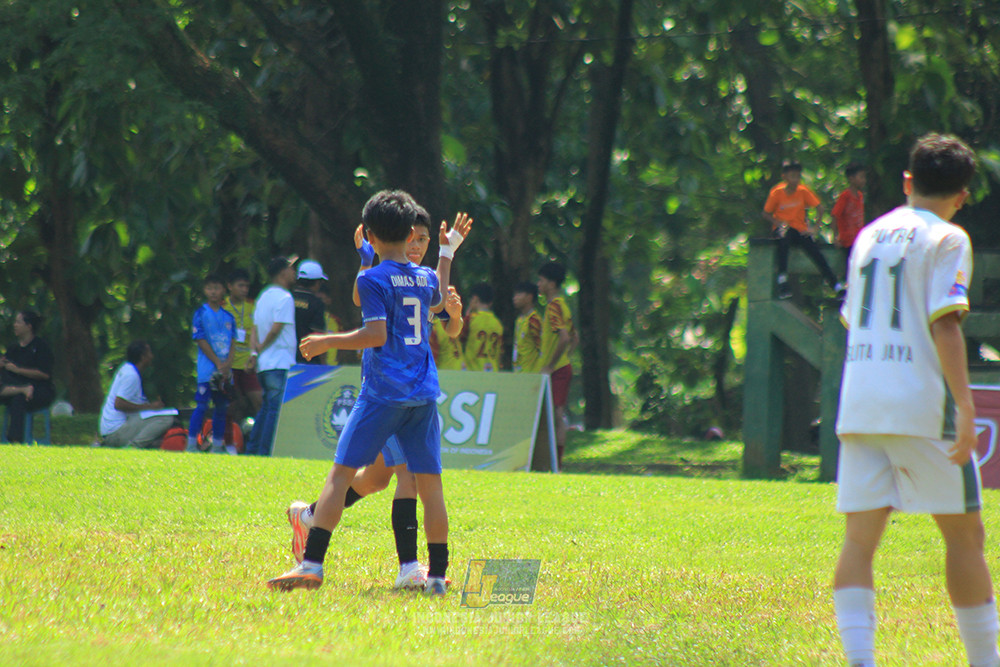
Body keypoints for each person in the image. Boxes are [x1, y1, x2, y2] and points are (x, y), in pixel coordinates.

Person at [833, 133, 999, 667]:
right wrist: (966, 405)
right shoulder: (949, 239)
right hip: (921, 407)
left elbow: (850, 316)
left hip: (859, 401)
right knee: (965, 534)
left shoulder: (867, 236)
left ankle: (860, 660)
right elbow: (945, 323)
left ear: (908, 181)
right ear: (963, 194)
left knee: (860, 540)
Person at [267, 190, 461, 596]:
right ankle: (438, 577)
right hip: (423, 396)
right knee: (430, 487)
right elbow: (440, 298)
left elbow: (375, 332)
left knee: (340, 474)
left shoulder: (373, 277)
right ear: (410, 233)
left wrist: (326, 341)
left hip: (383, 395)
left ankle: (312, 564)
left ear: (369, 234)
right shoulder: (424, 278)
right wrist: (446, 253)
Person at [762, 161, 845, 299]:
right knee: (783, 242)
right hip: (783, 229)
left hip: (799, 230)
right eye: (792, 176)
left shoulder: (803, 191)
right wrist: (778, 223)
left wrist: (814, 228)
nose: (795, 180)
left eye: (797, 176)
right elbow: (765, 213)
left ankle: (835, 285)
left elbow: (820, 208)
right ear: (785, 177)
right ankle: (782, 280)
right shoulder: (777, 192)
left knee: (815, 252)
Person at [245, 256, 297, 457]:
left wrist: (254, 353)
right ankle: (265, 452)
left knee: (266, 408)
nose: (294, 273)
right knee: (274, 409)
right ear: (283, 272)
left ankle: (253, 449)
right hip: (279, 361)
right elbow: (276, 329)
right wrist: (261, 348)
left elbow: (254, 329)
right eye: (291, 268)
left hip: (264, 364)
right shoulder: (285, 298)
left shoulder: (262, 297)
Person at [186, 273, 236, 454]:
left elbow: (233, 343)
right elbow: (200, 339)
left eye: (217, 288)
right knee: (202, 405)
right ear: (205, 290)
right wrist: (218, 362)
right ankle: (191, 444)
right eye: (210, 288)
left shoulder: (229, 317)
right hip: (207, 370)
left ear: (223, 290)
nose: (214, 292)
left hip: (224, 372)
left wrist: (227, 365)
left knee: (222, 407)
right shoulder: (200, 314)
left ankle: (217, 445)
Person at [99, 341, 175, 448]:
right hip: (116, 433)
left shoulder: (126, 368)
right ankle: (134, 447)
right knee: (166, 419)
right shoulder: (131, 376)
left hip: (111, 432)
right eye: (149, 353)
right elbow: (119, 404)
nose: (152, 356)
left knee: (158, 419)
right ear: (143, 357)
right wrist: (150, 407)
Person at [537, 262, 574, 468]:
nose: (538, 284)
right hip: (562, 367)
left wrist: (552, 364)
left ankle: (557, 463)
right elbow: (574, 338)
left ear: (551, 283)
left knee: (557, 414)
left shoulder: (553, 307)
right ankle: (553, 461)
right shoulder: (564, 305)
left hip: (556, 370)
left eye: (541, 280)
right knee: (554, 413)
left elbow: (565, 337)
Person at [0, 311, 56, 443]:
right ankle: (22, 389)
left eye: (18, 322)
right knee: (17, 394)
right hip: (14, 387)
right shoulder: (13, 349)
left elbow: (44, 374)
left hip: (39, 390)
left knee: (18, 398)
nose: (15, 325)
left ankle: (15, 440)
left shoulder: (41, 347)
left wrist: (18, 370)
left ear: (29, 326)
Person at [223, 268, 262, 422]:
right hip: (229, 362)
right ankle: (233, 440)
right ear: (230, 286)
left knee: (258, 400)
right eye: (240, 286)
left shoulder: (253, 306)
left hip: (248, 361)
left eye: (246, 286)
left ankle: (260, 439)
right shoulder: (221, 307)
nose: (244, 290)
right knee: (233, 405)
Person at [832, 162, 867, 275]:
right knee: (851, 269)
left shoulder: (860, 196)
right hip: (848, 240)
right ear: (851, 178)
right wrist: (836, 236)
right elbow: (835, 214)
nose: (863, 180)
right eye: (861, 177)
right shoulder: (845, 196)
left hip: (859, 239)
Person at [461, 283, 504, 372]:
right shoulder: (497, 323)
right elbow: (500, 353)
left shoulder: (471, 319)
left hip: (473, 372)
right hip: (493, 372)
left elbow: (459, 340)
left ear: (475, 299)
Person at [293, 260, 329, 364]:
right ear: (317, 282)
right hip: (309, 359)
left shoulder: (288, 297)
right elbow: (319, 335)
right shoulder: (316, 303)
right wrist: (323, 363)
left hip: (286, 357)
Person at [512, 281, 543, 373]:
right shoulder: (520, 320)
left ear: (529, 297)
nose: (514, 298)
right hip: (519, 373)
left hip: (531, 375)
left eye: (518, 294)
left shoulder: (534, 320)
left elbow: (542, 348)